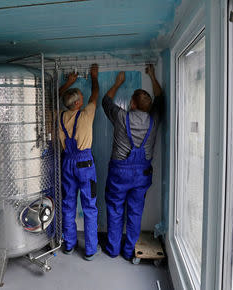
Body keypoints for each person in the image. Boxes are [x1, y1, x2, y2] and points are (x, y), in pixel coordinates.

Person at [102, 64, 163, 260]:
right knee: (135, 213)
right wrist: (153, 76)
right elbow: (160, 98)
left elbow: (105, 101)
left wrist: (117, 83)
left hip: (119, 173)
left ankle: (112, 250)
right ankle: (129, 251)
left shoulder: (121, 117)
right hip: (141, 175)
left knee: (115, 209)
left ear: (133, 105)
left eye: (131, 102)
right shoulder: (154, 119)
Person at [59, 64, 100, 261]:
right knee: (89, 206)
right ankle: (91, 250)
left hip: (67, 163)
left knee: (68, 205)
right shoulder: (86, 114)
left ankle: (69, 245)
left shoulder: (59, 117)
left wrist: (68, 83)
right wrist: (94, 77)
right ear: (76, 104)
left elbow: (51, 100)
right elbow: (95, 94)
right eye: (80, 100)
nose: (83, 101)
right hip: (85, 164)